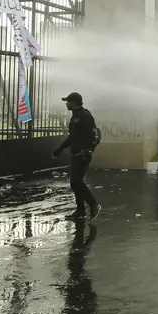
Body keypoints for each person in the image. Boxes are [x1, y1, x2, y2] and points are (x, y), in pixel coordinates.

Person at [53, 92, 100, 220]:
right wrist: (60, 149)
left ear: (74, 102)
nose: (66, 103)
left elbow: (95, 134)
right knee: (74, 183)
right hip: (75, 153)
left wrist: (89, 149)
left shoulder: (85, 116)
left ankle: (93, 204)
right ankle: (80, 210)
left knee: (77, 181)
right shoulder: (74, 117)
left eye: (68, 101)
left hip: (83, 154)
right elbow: (72, 136)